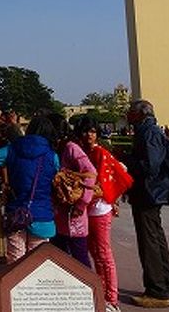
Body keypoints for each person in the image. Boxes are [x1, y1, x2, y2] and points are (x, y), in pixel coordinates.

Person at [126, 99, 169, 308]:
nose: (127, 115)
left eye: (130, 111)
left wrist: (126, 161)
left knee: (149, 243)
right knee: (156, 240)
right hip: (152, 194)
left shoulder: (149, 132)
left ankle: (157, 291)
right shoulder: (148, 130)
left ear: (140, 114)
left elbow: (150, 166)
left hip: (148, 194)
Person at [76, 117, 124, 312]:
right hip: (87, 208)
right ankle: (101, 291)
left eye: (93, 131)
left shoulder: (101, 153)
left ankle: (112, 298)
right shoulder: (82, 153)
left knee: (103, 253)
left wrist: (112, 198)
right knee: (94, 252)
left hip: (100, 209)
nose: (90, 135)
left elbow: (115, 176)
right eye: (86, 131)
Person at [1, 116, 59, 264]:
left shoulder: (11, 149)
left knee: (15, 258)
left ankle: (14, 285)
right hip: (42, 213)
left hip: (16, 212)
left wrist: (2, 180)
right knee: (37, 261)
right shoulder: (52, 156)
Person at [50, 114, 97, 268]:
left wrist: (82, 204)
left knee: (79, 258)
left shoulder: (71, 148)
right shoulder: (61, 147)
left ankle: (88, 290)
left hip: (74, 214)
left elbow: (91, 173)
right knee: (62, 255)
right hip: (62, 212)